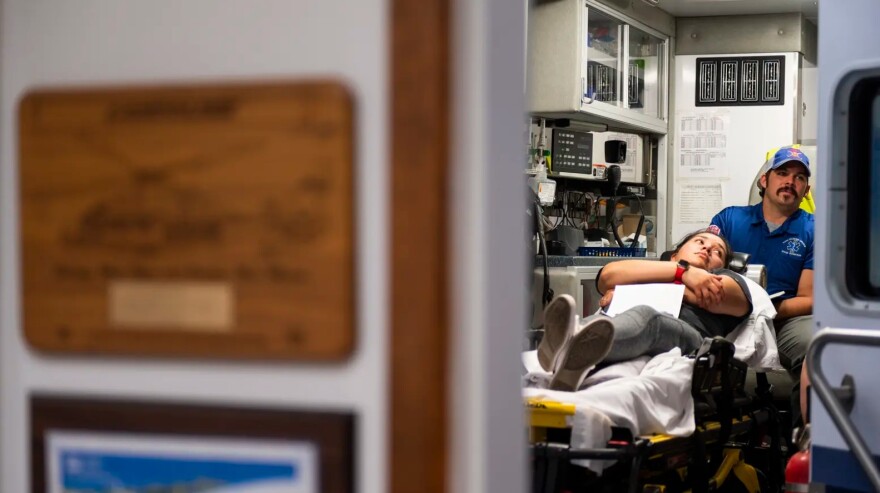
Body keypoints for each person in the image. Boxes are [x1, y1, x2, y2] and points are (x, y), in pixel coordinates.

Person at [537, 229, 753, 391]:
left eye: (718, 252)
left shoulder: (730, 278)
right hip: (624, 324)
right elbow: (607, 276)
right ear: (674, 255)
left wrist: (635, 289)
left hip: (688, 336)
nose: (707, 249)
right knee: (629, 318)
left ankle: (566, 344)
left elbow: (717, 296)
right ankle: (571, 353)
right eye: (699, 241)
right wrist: (682, 273)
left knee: (649, 319)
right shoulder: (665, 268)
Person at [709, 145, 814, 426]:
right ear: (764, 180)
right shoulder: (729, 220)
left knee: (818, 349)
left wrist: (764, 309)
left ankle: (803, 447)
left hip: (785, 320)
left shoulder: (815, 229)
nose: (790, 181)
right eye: (782, 173)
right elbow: (703, 267)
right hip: (731, 318)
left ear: (806, 190)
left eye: (800, 177)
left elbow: (809, 299)